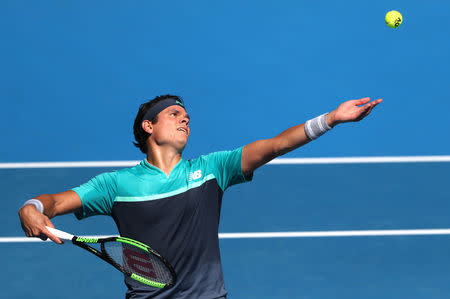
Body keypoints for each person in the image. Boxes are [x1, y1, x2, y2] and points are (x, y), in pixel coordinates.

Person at [18, 94, 382, 298]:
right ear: (149, 126)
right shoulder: (116, 185)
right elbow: (52, 202)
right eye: (174, 114)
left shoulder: (213, 168)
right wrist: (31, 209)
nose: (184, 120)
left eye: (188, 117)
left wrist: (330, 119)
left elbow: (275, 145)